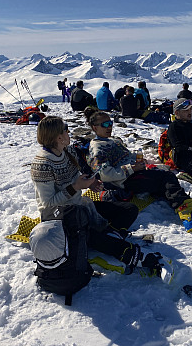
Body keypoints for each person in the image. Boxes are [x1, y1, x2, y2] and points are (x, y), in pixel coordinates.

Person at [30, 116, 163, 279]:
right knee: (97, 237)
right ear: (59, 137)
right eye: (66, 130)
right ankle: (123, 250)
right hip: (60, 219)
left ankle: (105, 236)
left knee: (129, 210)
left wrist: (89, 183)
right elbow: (48, 204)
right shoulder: (42, 164)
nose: (69, 132)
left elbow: (74, 176)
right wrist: (76, 187)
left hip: (80, 206)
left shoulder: (68, 151)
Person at [84, 107, 192, 232]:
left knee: (163, 183)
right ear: (95, 128)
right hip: (124, 180)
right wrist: (131, 168)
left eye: (110, 123)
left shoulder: (113, 141)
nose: (109, 127)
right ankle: (188, 216)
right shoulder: (97, 148)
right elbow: (104, 174)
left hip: (134, 173)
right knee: (166, 178)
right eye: (105, 125)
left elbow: (126, 156)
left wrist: (140, 160)